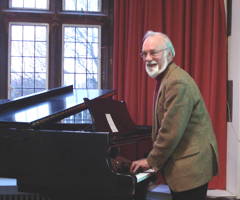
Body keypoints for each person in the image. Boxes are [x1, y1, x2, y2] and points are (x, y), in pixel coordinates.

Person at [130, 31, 219, 200]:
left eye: (153, 52)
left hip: (191, 167)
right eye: (144, 53)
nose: (148, 58)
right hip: (188, 163)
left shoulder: (176, 82)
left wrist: (150, 161)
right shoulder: (167, 78)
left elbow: (171, 132)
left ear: (169, 54)